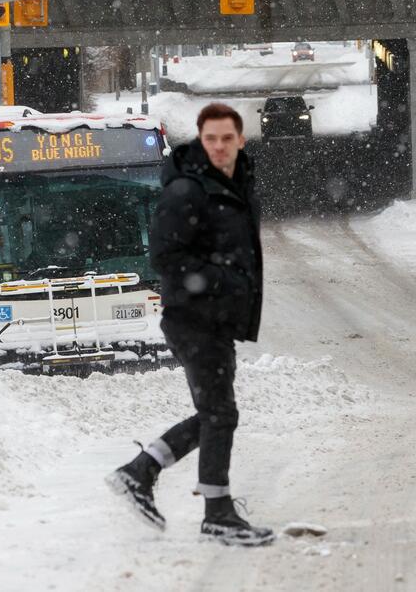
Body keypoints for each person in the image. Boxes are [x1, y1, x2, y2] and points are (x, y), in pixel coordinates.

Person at [106, 103, 273, 546]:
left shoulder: (234, 185)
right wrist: (220, 280)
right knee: (221, 413)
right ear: (201, 140)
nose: (219, 146)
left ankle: (140, 472)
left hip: (216, 319)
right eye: (210, 139)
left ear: (240, 139)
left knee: (214, 413)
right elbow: (164, 256)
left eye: (227, 138)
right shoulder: (187, 190)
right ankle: (216, 512)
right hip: (192, 318)